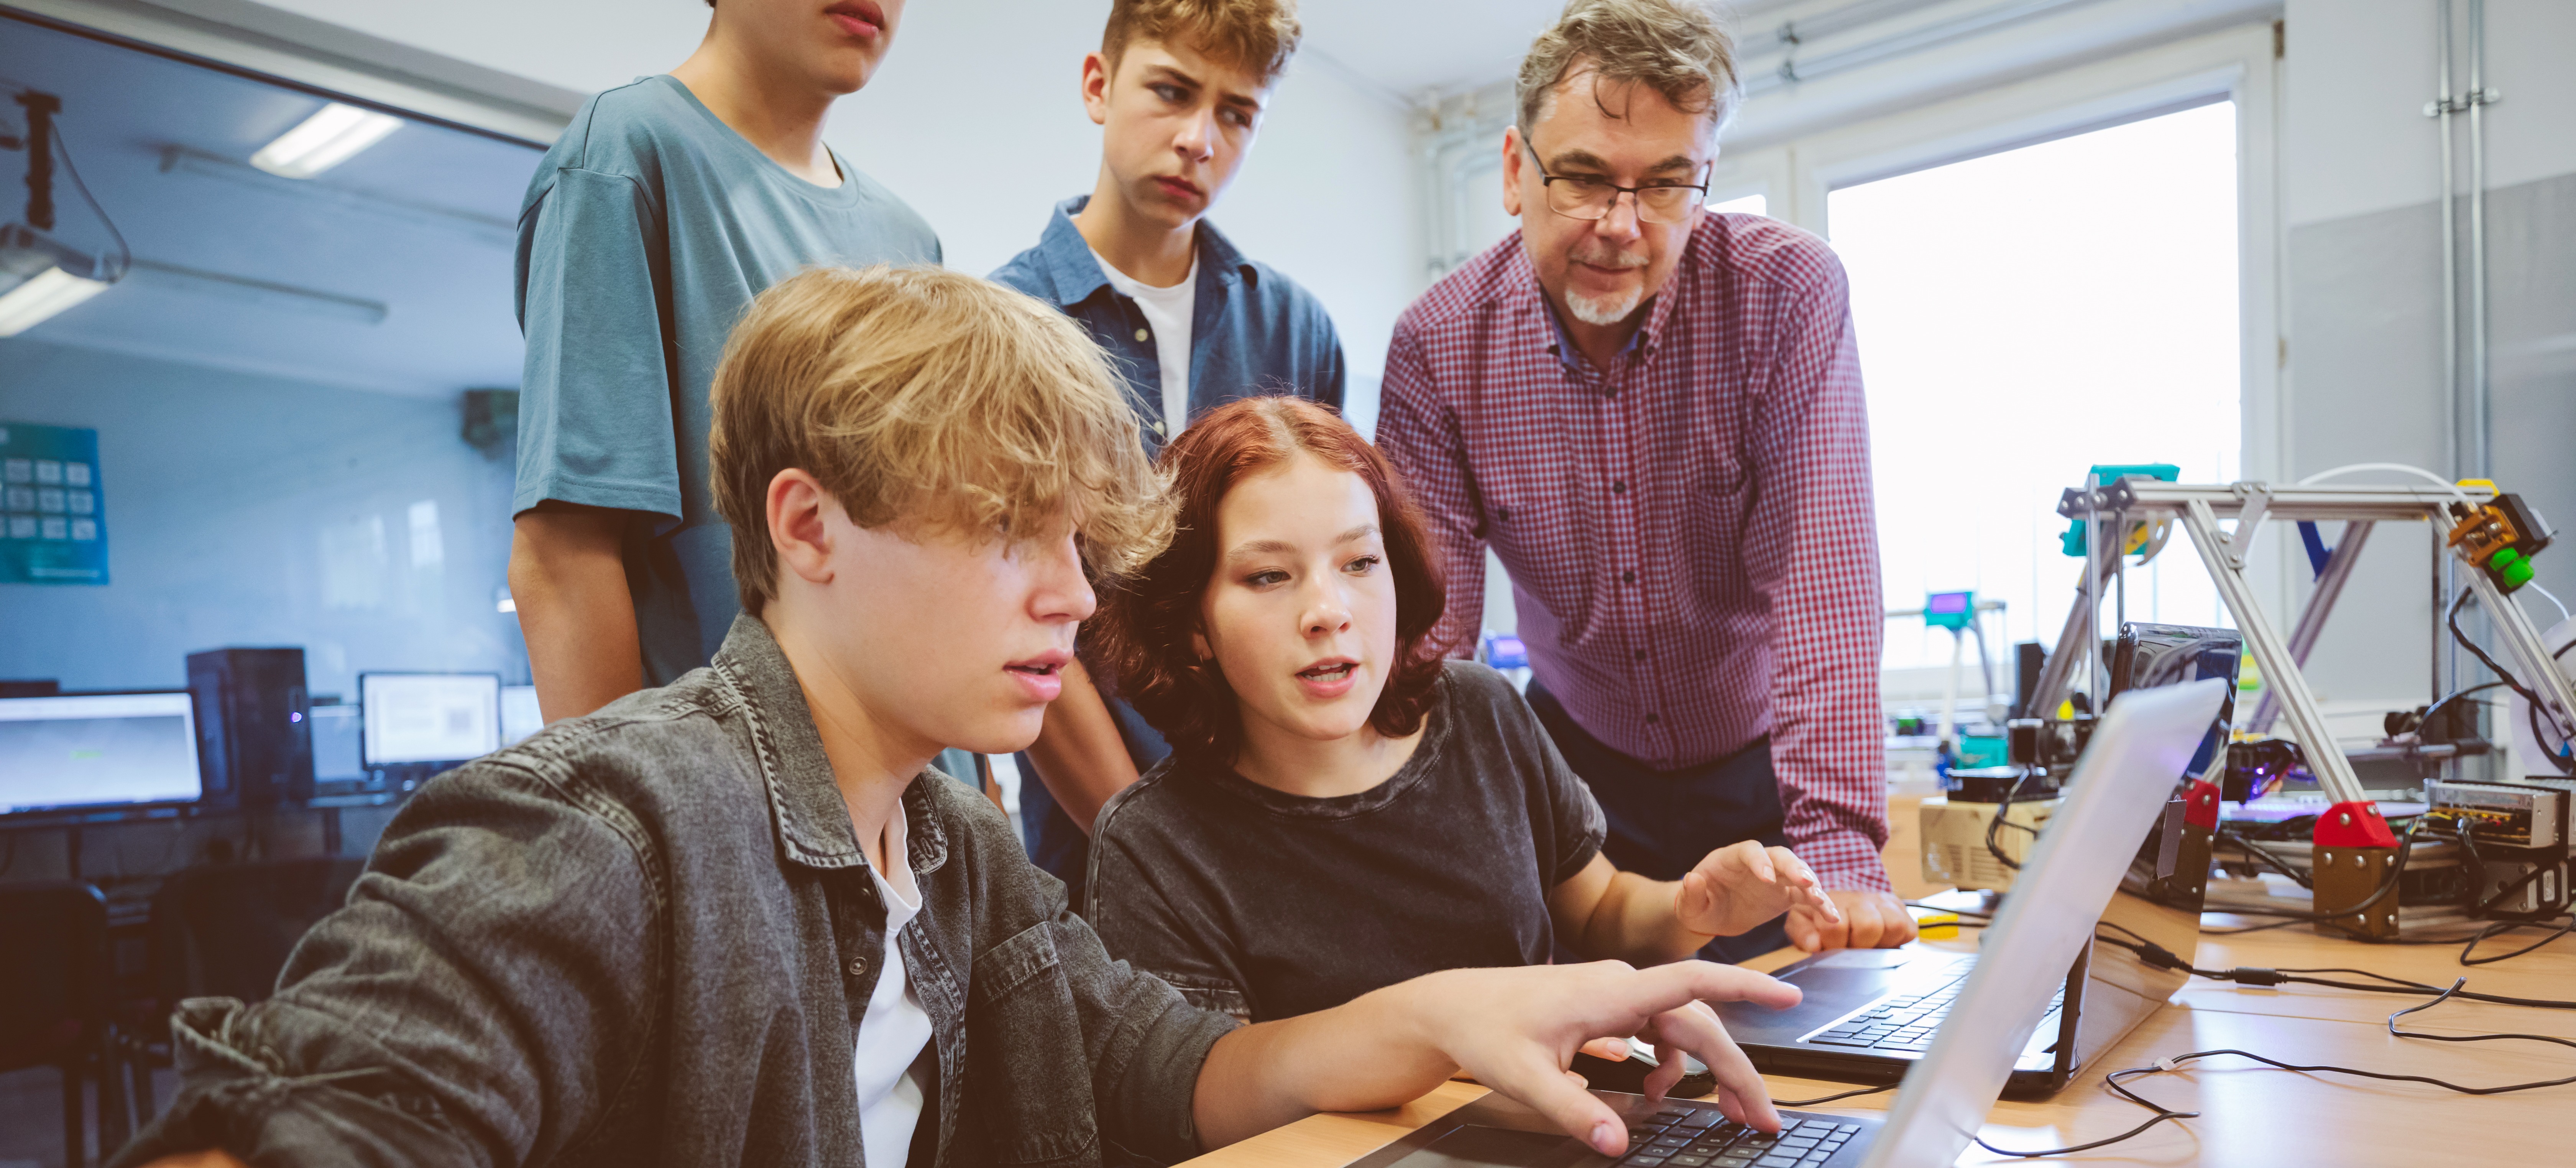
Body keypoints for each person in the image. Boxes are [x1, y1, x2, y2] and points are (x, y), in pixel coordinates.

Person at [110, 267, 1801, 1168]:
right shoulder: (608, 823)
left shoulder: (960, 851)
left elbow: (1181, 1066)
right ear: (805, 524)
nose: (1070, 597)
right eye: (1010, 532)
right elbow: (339, 1104)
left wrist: (1453, 1009)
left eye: (1075, 540)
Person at [1373, 0, 1916, 958]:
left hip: (1762, 781)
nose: (1623, 227)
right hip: (1570, 776)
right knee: (1586, 1076)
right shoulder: (1438, 345)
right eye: (1584, 178)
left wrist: (1835, 848)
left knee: (1792, 1074)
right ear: (1514, 170)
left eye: (1666, 185)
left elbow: (1822, 584)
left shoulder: (1786, 294)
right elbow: (1426, 634)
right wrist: (1401, 849)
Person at [1082, 395, 1838, 1023]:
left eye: (1359, 563)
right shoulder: (1154, 844)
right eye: (1269, 575)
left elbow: (1601, 906)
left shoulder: (1478, 711)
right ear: (1189, 621)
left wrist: (1692, 904)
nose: (1328, 610)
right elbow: (1210, 1105)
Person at [989, 0, 1346, 899]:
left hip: (1290, 823)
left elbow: (1329, 575)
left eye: (1236, 113)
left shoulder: (1295, 328)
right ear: (1099, 86)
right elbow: (1022, 617)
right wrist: (1145, 845)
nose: (1199, 139)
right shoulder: (1004, 328)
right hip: (1093, 846)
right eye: (1173, 91)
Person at [508, 0, 938, 724]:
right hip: (730, 799)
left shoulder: (909, 240)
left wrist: (973, 795)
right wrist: (640, 820)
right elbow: (563, 558)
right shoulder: (626, 158)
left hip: (920, 796)